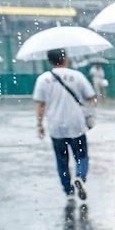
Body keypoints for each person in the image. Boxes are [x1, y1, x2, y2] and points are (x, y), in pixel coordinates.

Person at [33, 48, 96, 202]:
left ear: (49, 61)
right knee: (81, 156)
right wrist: (88, 112)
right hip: (76, 123)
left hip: (56, 126)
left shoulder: (43, 79)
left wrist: (39, 124)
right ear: (65, 59)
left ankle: (68, 191)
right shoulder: (77, 76)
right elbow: (91, 97)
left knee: (62, 160)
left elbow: (40, 104)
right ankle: (80, 177)